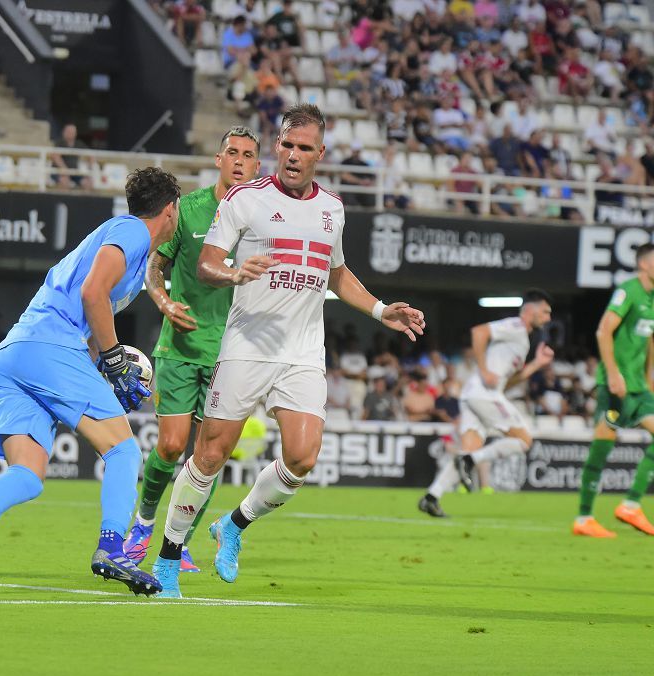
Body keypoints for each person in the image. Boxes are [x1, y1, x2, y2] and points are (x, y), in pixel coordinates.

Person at [150, 104, 426, 598]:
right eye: (288, 146)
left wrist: (382, 310)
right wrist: (236, 273)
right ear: (277, 147)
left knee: (302, 457)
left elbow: (337, 273)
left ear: (320, 153)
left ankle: (234, 525)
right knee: (210, 454)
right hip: (246, 345)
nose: (294, 156)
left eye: (305, 148)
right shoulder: (244, 199)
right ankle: (168, 558)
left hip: (302, 351)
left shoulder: (333, 209)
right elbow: (208, 264)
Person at [0, 167, 181, 598]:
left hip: (16, 353)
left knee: (28, 475)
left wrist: (104, 362)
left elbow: (93, 314)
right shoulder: (132, 232)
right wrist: (116, 360)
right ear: (170, 210)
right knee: (124, 449)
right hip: (51, 347)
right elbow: (92, 294)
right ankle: (112, 549)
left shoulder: (119, 242)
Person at [122, 126, 261, 574]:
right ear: (218, 160)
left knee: (208, 456)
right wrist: (163, 302)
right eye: (232, 153)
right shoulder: (189, 211)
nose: (240, 161)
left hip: (233, 356)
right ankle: (143, 522)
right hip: (181, 346)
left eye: (248, 155)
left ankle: (176, 542)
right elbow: (154, 267)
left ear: (258, 167)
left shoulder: (264, 220)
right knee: (170, 444)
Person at [418, 289, 553, 518]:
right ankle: (471, 460)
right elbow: (479, 332)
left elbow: (508, 382)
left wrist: (537, 364)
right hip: (484, 395)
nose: (548, 317)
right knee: (523, 440)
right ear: (530, 310)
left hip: (476, 394)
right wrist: (482, 369)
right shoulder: (516, 326)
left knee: (468, 449)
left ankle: (431, 497)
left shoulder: (522, 340)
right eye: (545, 311)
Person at [573, 244, 654, 538]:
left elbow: (650, 340)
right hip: (615, 384)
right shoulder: (628, 291)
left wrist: (649, 379)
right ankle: (584, 518)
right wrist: (614, 374)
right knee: (603, 443)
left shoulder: (653, 297)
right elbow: (603, 331)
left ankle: (631, 504)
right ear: (644, 265)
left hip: (638, 387)